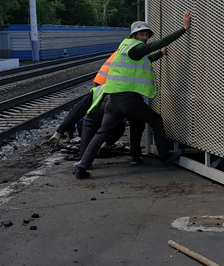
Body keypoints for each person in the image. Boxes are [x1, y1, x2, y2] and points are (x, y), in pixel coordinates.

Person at [73, 10, 191, 179]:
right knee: (156, 120)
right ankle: (166, 157)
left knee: (102, 134)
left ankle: (82, 167)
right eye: (141, 34)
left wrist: (161, 54)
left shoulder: (126, 47)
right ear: (134, 35)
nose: (144, 37)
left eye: (146, 34)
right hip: (127, 99)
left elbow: (144, 61)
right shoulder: (136, 48)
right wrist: (183, 29)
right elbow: (159, 43)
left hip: (113, 100)